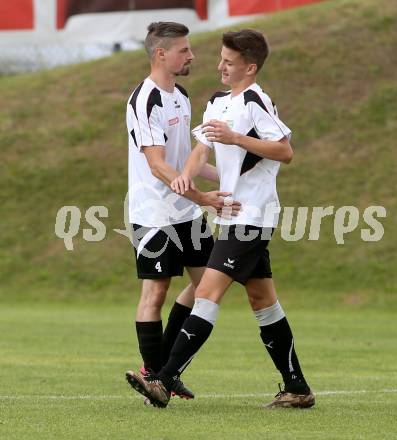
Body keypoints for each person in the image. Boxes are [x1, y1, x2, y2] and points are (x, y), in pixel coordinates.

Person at [127, 28, 315, 409]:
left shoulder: (255, 100)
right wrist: (189, 175)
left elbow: (285, 151)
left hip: (253, 214)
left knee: (207, 292)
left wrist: (238, 139)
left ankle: (163, 378)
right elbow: (201, 150)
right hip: (230, 216)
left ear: (249, 67)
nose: (219, 66)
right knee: (263, 299)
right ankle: (296, 386)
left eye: (228, 62)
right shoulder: (216, 102)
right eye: (220, 59)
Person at [124, 22, 241, 401]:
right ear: (161, 54)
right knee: (155, 292)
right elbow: (159, 166)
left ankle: (163, 374)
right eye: (184, 50)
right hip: (154, 214)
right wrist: (204, 198)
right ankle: (153, 374)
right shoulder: (145, 100)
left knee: (207, 283)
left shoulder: (182, 95)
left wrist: (232, 172)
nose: (191, 56)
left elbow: (184, 161)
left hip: (185, 214)